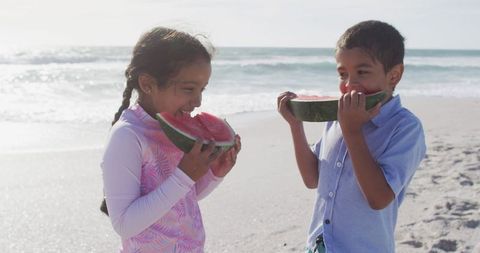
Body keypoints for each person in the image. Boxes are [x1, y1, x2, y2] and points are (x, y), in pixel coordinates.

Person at [277, 20, 426, 253]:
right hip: (320, 245)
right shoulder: (337, 118)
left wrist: (352, 132)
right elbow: (311, 178)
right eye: (342, 74)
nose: (349, 85)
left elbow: (378, 198)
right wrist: (296, 126)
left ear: (394, 75)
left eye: (362, 72)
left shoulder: (405, 128)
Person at [100, 27, 241, 253]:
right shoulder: (127, 136)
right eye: (188, 89)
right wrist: (184, 176)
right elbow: (125, 224)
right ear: (147, 84)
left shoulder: (174, 130)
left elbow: (183, 200)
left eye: (202, 89)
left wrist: (215, 173)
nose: (198, 101)